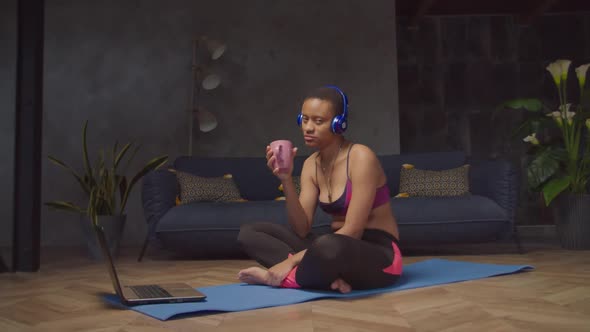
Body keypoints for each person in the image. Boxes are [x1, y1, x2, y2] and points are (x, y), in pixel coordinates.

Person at [237, 86, 402, 293]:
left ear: (338, 124)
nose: (308, 128)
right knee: (250, 233)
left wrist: (290, 262)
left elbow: (352, 232)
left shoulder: (361, 157)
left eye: (318, 121)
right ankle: (327, 279)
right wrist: (286, 179)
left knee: (328, 245)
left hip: (378, 254)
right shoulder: (311, 165)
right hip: (332, 247)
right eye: (304, 119)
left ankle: (284, 278)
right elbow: (302, 229)